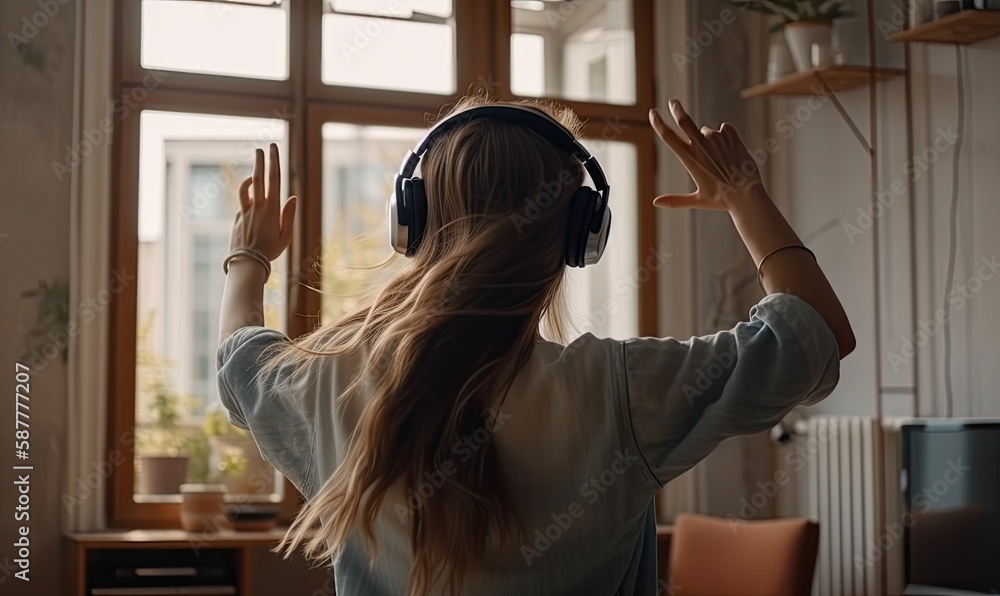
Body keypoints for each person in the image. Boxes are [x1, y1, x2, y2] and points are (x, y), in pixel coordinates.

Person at [216, 96, 855, 596]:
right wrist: (744, 194)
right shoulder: (622, 390)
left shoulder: (330, 380)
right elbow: (817, 335)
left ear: (411, 223)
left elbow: (239, 361)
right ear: (581, 235)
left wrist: (249, 256)